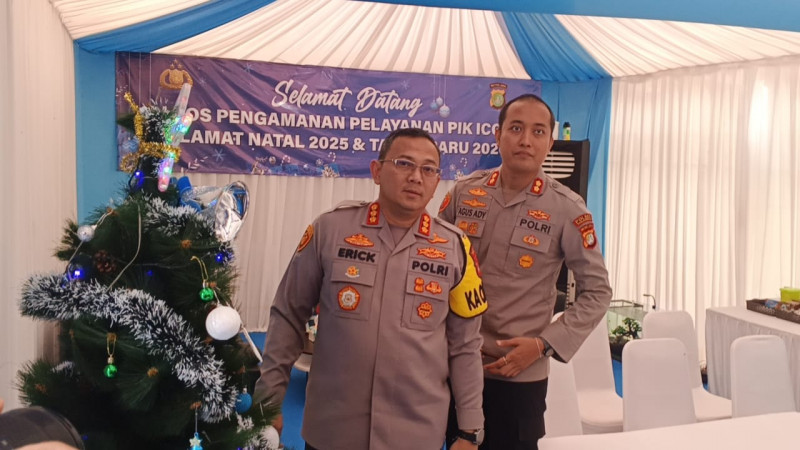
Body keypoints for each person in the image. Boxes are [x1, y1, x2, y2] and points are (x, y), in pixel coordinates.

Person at [253, 128, 488, 450]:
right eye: (404, 164)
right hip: (333, 430)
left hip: (415, 434)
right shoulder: (330, 230)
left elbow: (465, 345)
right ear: (377, 171)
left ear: (437, 182)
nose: (416, 177)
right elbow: (288, 315)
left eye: (428, 169)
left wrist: (470, 430)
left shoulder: (456, 248)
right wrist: (268, 399)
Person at [439, 94, 612, 449]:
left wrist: (541, 345)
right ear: (498, 134)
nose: (525, 140)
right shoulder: (464, 192)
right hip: (454, 363)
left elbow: (598, 292)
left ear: (550, 142)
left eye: (538, 131)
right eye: (516, 128)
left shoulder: (567, 208)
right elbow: (434, 269)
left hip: (517, 375)